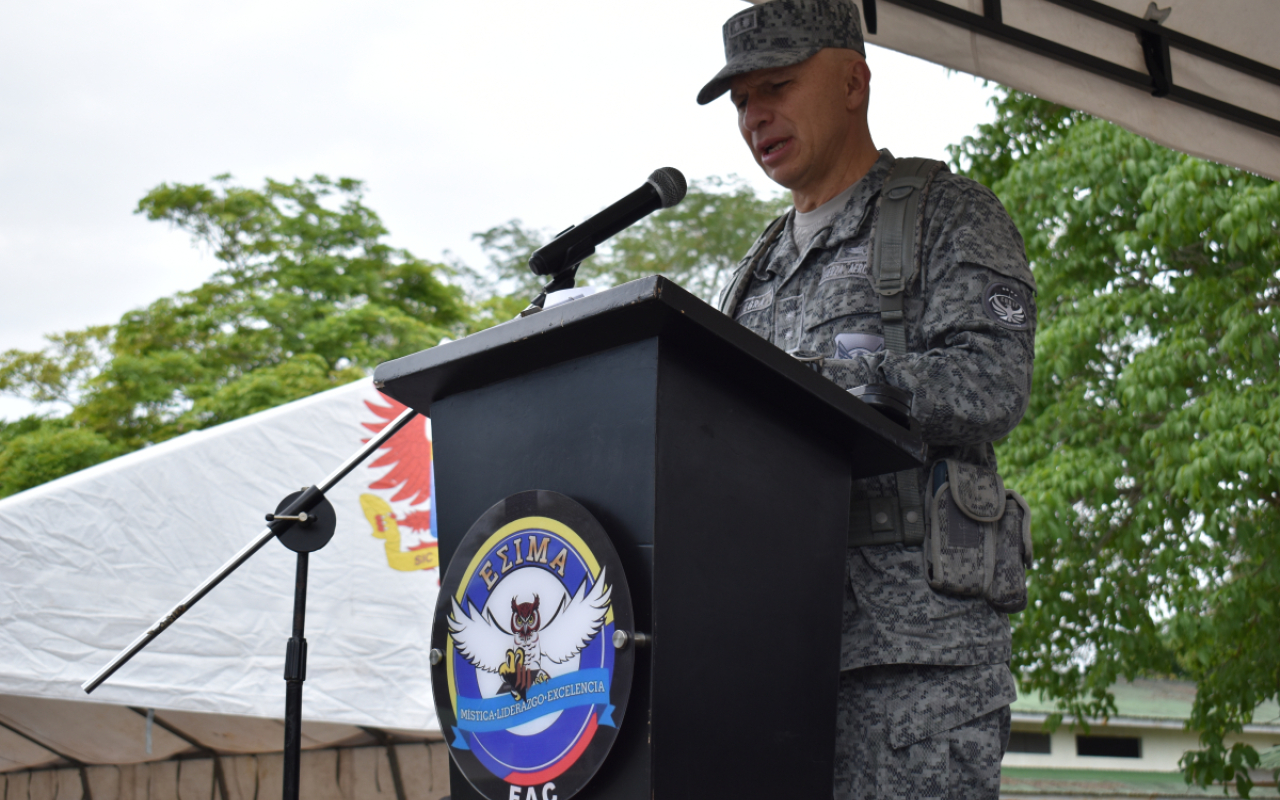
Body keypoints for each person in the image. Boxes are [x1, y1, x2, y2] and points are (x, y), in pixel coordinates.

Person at [698, 1, 1037, 798]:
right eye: (742, 101)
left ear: (854, 81)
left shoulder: (945, 215)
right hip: (772, 651)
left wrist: (858, 382)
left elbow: (994, 383)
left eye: (777, 86)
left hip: (914, 662)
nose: (757, 116)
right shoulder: (749, 275)